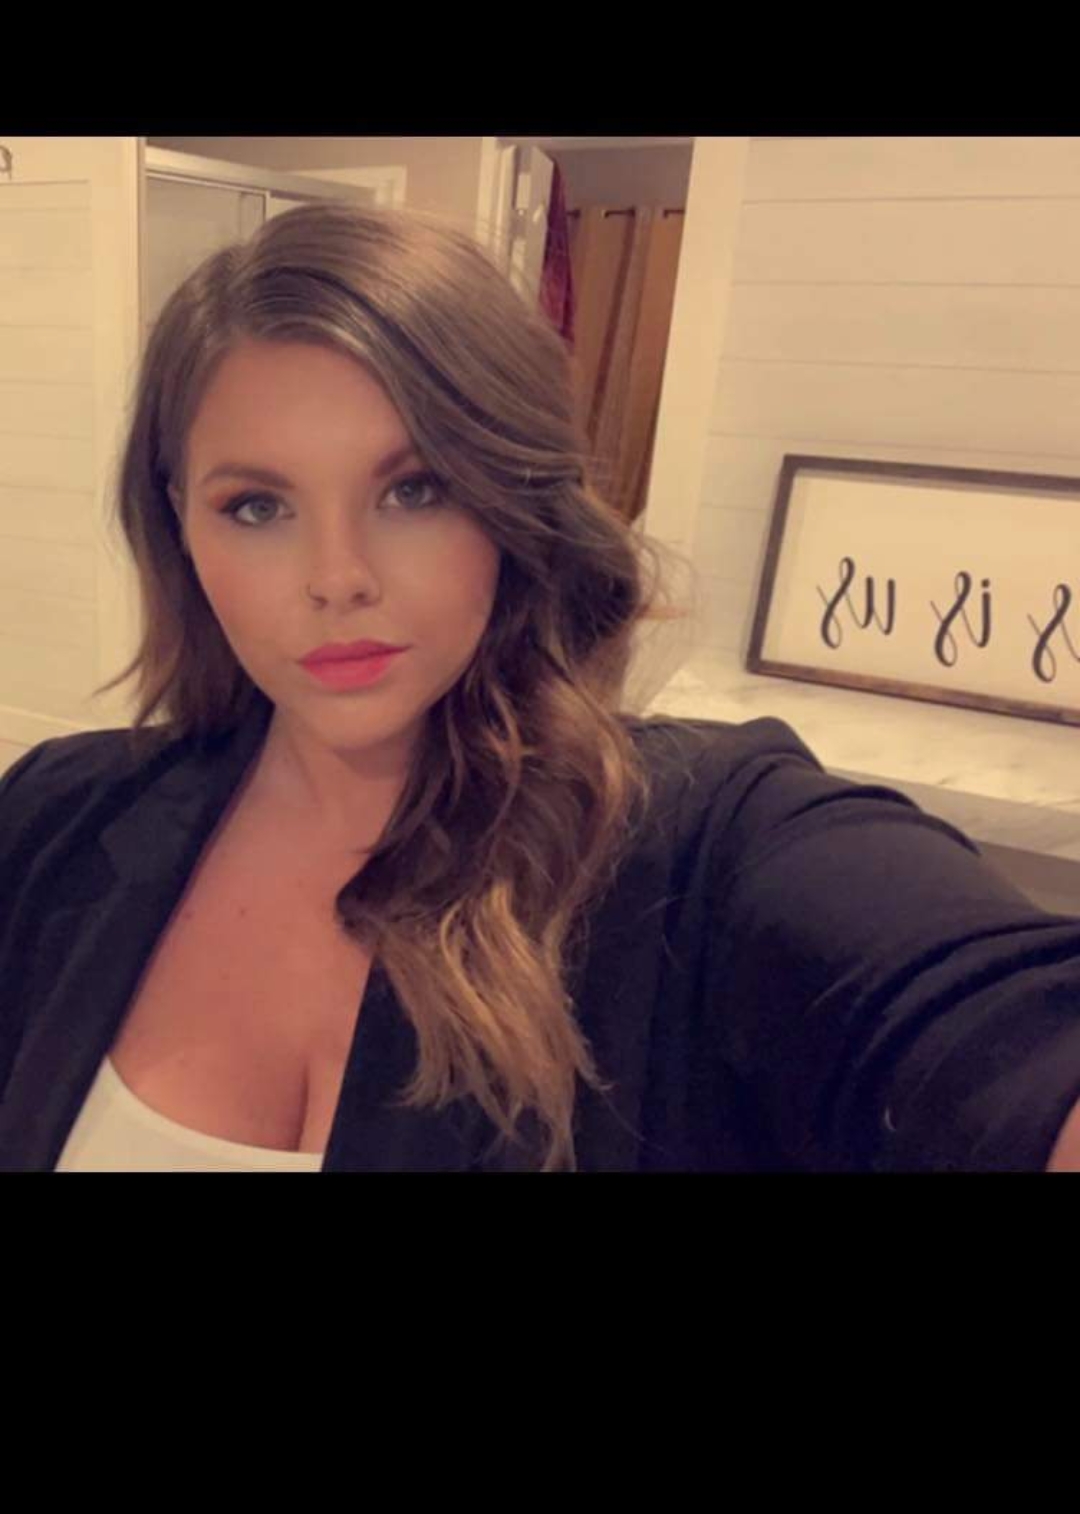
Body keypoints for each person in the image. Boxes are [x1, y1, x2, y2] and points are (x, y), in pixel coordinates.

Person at [1, 203, 1080, 1173]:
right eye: (256, 506)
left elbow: (993, 1031)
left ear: (510, 499)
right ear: (179, 526)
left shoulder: (713, 841)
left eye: (414, 489)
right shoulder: (52, 817)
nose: (338, 578)